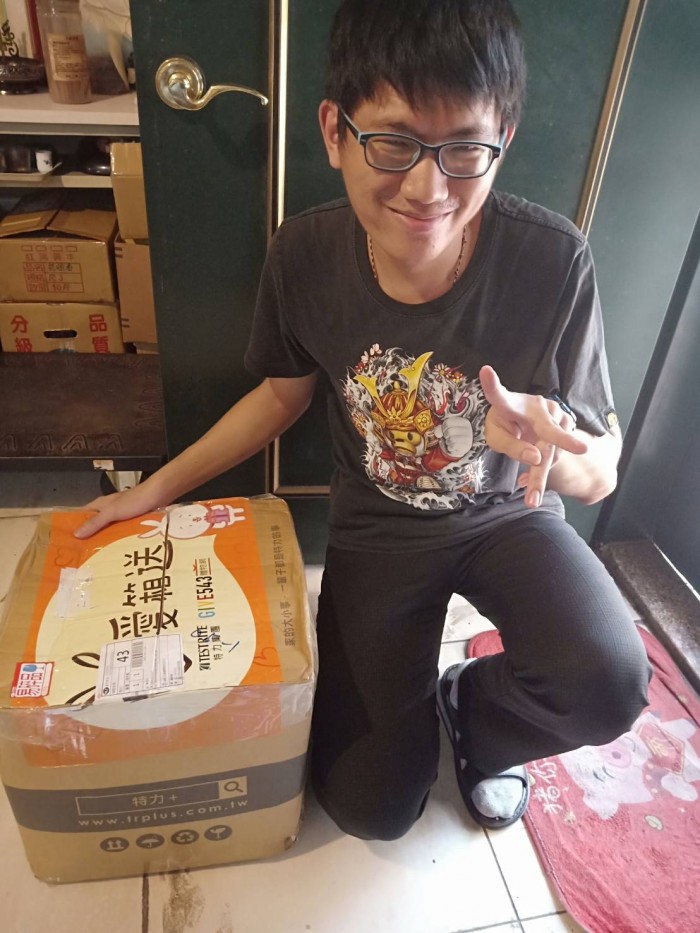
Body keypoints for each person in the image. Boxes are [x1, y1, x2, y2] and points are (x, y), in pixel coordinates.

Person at [75, 0, 650, 839]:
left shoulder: (551, 258)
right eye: (393, 142)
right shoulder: (304, 254)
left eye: (465, 149)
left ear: (503, 139)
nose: (428, 188)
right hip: (379, 532)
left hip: (508, 517)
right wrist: (153, 490)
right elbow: (279, 397)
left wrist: (552, 452)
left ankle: (477, 716)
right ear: (334, 132)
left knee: (608, 678)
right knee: (369, 805)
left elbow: (599, 469)